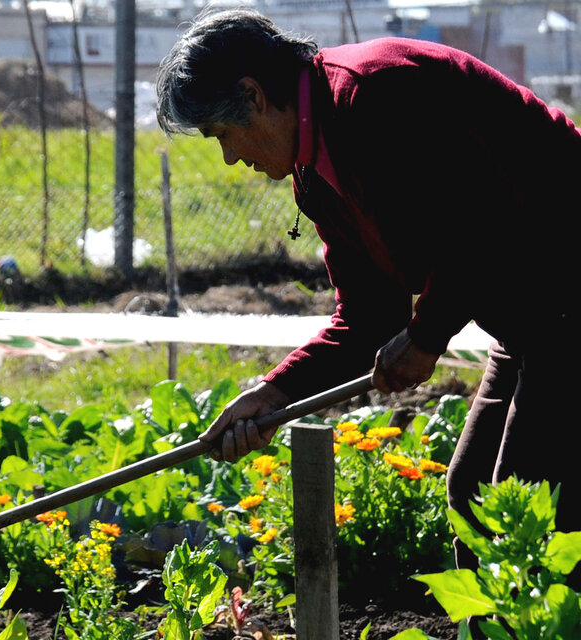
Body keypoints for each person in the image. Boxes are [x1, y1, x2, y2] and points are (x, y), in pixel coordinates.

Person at [156, 6, 581, 590]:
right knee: (476, 496)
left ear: (252, 97)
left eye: (222, 136)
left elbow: (480, 219)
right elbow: (369, 316)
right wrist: (273, 392)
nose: (231, 156)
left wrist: (429, 334)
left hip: (566, 294)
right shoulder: (316, 170)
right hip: (531, 319)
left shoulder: (376, 95)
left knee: (528, 507)